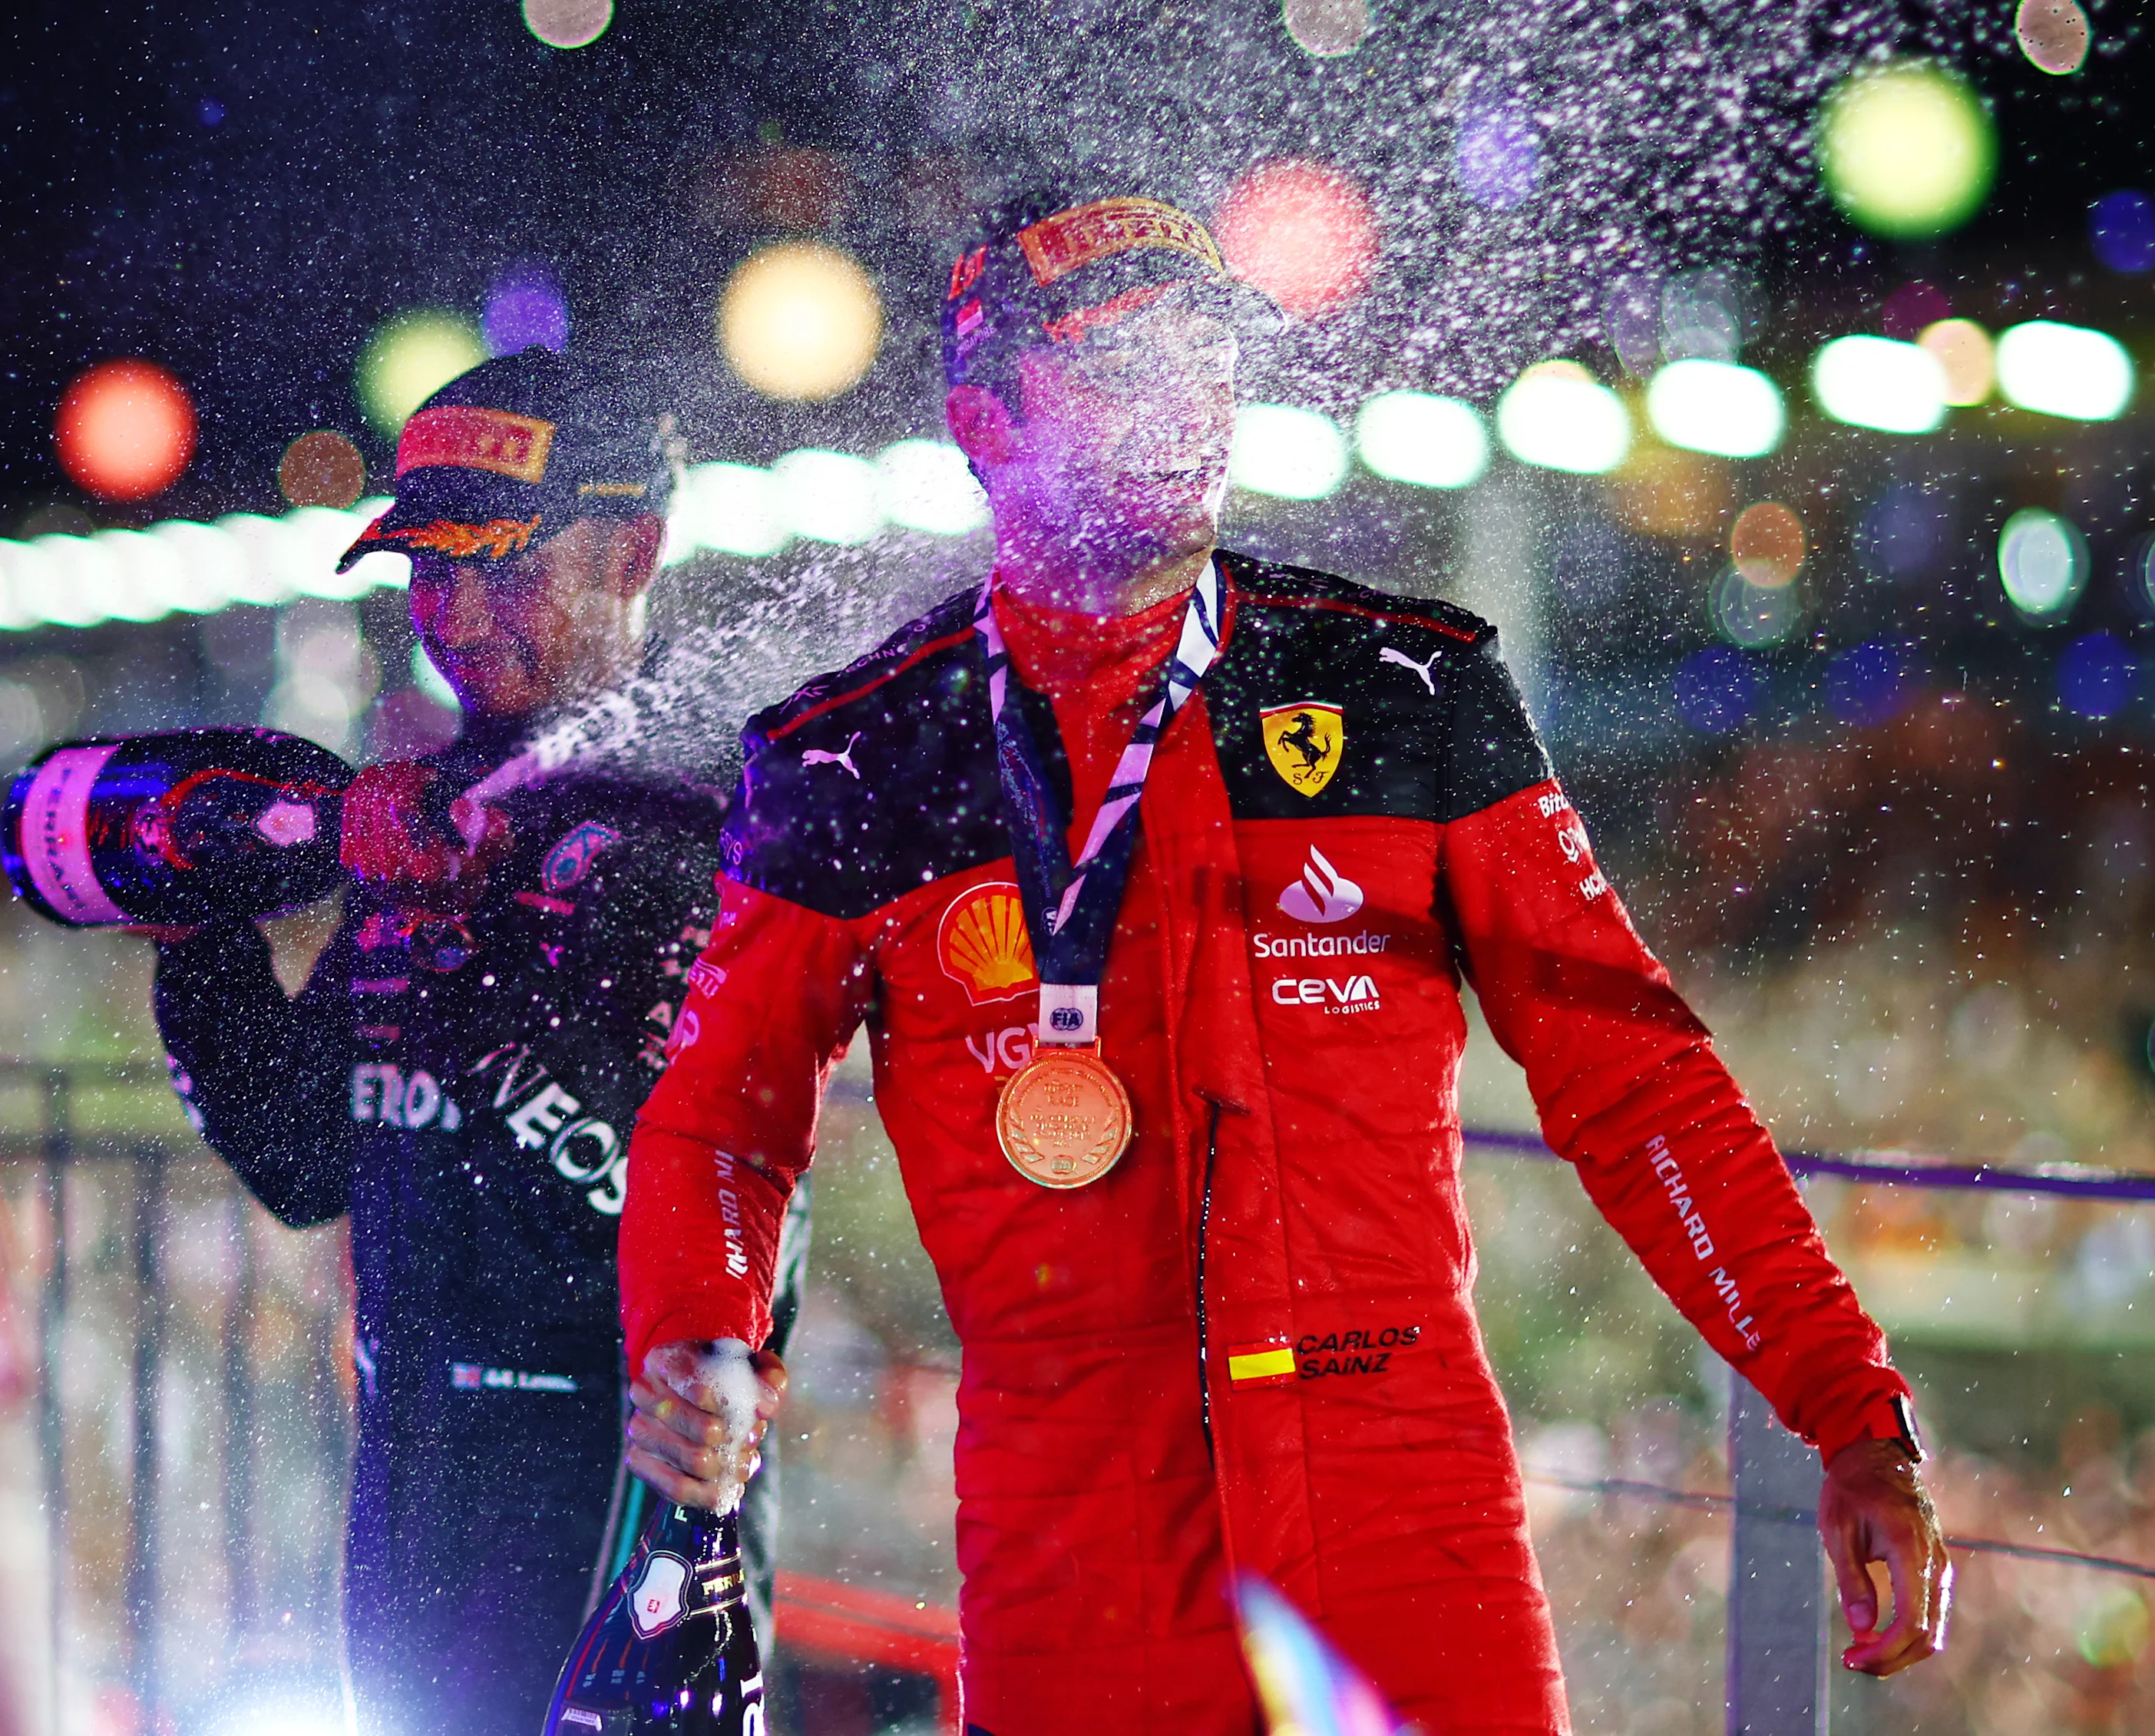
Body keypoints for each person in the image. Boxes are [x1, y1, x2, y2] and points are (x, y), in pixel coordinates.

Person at [616, 190, 1948, 1734]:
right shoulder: (852, 760)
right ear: (983, 421)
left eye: (1206, 352)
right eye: (1118, 365)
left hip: (1405, 1520)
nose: (1181, 405)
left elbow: (1638, 1081)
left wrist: (1850, 1410)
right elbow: (724, 1117)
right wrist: (701, 1336)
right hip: (1070, 1551)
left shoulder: (1400, 686)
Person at [148, 349, 803, 1735]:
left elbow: (717, 1166)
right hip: (405, 1477)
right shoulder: (420, 810)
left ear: (633, 549)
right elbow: (303, 1163)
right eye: (426, 572)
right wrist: (195, 932)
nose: (454, 615)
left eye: (504, 567)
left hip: (616, 1482)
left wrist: (732, 1366)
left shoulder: (731, 812)